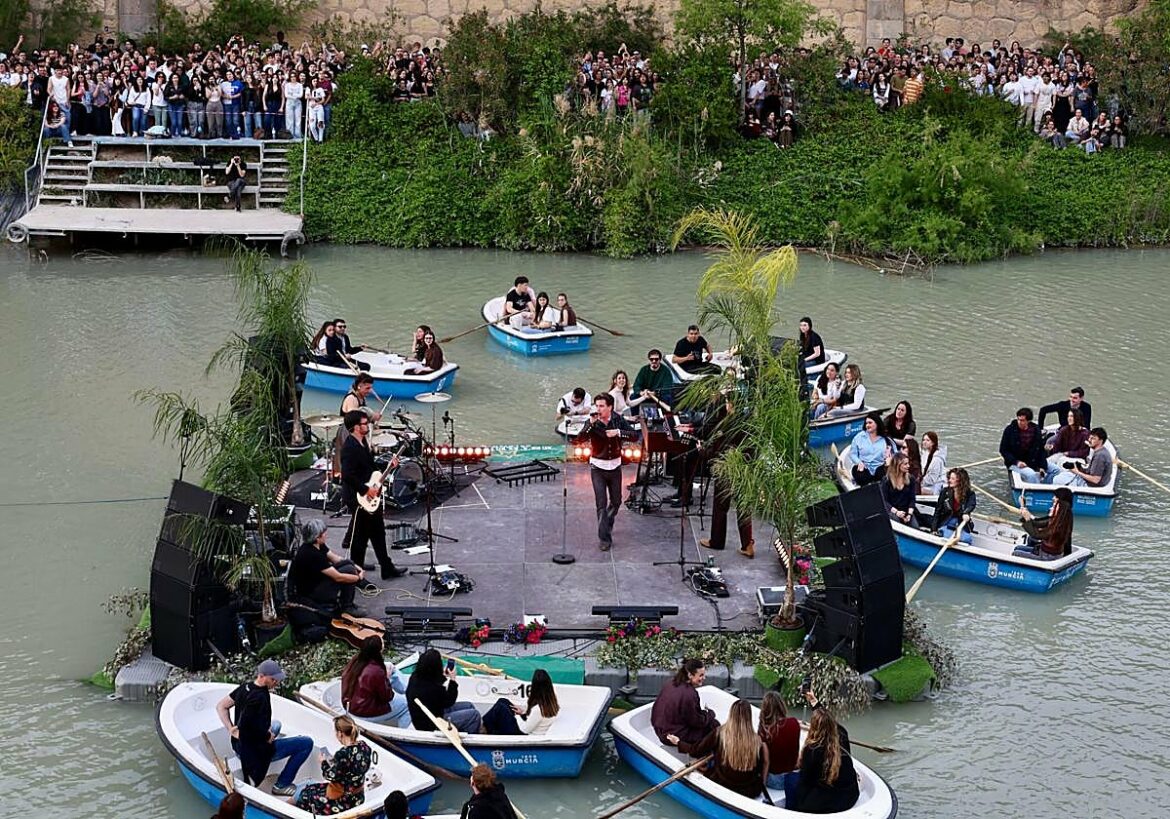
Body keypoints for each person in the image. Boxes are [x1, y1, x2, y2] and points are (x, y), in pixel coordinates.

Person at [215, 660, 313, 796]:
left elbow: (221, 706)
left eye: (277, 679)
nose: (276, 682)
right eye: (273, 679)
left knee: (276, 724)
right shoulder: (258, 699)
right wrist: (267, 737)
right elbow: (249, 729)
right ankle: (281, 785)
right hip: (254, 750)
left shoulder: (245, 688)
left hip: (238, 745)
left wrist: (231, 728)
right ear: (261, 676)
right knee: (306, 743)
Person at [339, 410, 406, 579]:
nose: (367, 425)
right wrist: (365, 490)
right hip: (358, 497)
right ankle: (356, 575)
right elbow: (347, 474)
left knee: (377, 532)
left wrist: (388, 466)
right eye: (364, 423)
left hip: (368, 495)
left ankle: (386, 567)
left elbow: (369, 469)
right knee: (360, 539)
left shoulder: (362, 443)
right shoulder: (350, 447)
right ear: (355, 427)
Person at [667, 699, 768, 799]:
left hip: (724, 783)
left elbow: (696, 750)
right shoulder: (757, 740)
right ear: (749, 717)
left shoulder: (720, 733)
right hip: (748, 789)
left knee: (704, 766)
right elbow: (760, 766)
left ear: (731, 714)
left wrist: (678, 742)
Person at [784, 692, 860, 814]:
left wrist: (796, 764)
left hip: (826, 803)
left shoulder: (812, 750)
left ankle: (791, 813)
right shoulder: (842, 735)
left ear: (814, 727)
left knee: (790, 779)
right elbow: (829, 721)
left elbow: (806, 780)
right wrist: (814, 702)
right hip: (850, 796)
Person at [583, 394, 637, 551]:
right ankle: (604, 538)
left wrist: (618, 432)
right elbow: (578, 439)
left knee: (616, 501)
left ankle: (607, 521)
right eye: (597, 406)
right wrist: (590, 425)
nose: (598, 409)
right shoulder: (593, 422)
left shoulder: (618, 420)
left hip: (615, 467)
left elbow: (634, 435)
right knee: (601, 504)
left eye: (601, 406)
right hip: (597, 468)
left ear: (610, 407)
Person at [294, 715, 373, 814]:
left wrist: (323, 762)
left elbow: (330, 776)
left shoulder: (342, 754)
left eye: (336, 732)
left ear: (340, 734)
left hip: (343, 800)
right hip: (358, 797)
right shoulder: (364, 747)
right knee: (312, 786)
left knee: (305, 793)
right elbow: (351, 769)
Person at [290, 519, 363, 614]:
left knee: (348, 565)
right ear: (317, 537)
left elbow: (336, 559)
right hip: (312, 592)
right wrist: (358, 578)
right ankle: (346, 607)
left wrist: (356, 566)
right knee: (348, 572)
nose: (326, 534)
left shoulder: (318, 545)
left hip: (318, 580)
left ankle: (347, 603)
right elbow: (338, 577)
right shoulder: (312, 554)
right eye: (324, 533)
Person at [406, 648, 483, 733]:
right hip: (433, 723)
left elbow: (434, 685)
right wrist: (452, 680)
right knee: (474, 715)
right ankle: (470, 738)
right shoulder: (433, 689)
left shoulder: (415, 676)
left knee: (469, 705)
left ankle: (463, 728)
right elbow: (450, 701)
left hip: (430, 712)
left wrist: (442, 675)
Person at [341, 636, 410, 727]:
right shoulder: (376, 671)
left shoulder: (356, 660)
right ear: (379, 649)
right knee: (407, 705)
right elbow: (387, 697)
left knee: (390, 666)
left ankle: (406, 690)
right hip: (363, 711)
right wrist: (387, 678)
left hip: (351, 706)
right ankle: (402, 733)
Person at [650, 658, 719, 746]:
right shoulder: (689, 694)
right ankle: (708, 753)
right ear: (690, 675)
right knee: (714, 725)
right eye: (701, 675)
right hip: (672, 737)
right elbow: (697, 722)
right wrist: (710, 714)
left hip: (660, 730)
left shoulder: (671, 683)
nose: (704, 678)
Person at [482, 668, 559, 735]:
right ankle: (488, 728)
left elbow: (525, 730)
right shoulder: (551, 703)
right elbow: (534, 720)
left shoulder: (538, 710)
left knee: (500, 708)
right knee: (503, 701)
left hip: (523, 734)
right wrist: (522, 713)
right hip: (527, 726)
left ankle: (484, 728)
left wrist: (517, 716)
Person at [1013, 486, 1074, 560]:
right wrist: (1023, 507)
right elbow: (1037, 523)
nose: (1052, 507)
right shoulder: (1059, 519)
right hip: (1044, 551)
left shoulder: (1059, 525)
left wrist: (1027, 519)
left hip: (1047, 556)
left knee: (1016, 553)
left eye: (1055, 504)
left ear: (1061, 507)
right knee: (1018, 548)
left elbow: (1036, 535)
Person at [758, 690, 800, 788]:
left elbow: (766, 761)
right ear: (782, 705)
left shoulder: (765, 730)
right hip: (792, 777)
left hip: (775, 780)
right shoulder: (794, 723)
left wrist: (762, 785)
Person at [999, 407, 1047, 483]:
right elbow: (1003, 450)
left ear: (1028, 421)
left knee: (1055, 470)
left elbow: (1041, 450)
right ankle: (1034, 491)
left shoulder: (1036, 430)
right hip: (1015, 462)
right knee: (1031, 474)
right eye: (1018, 419)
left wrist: (1042, 466)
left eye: (1022, 420)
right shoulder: (1009, 430)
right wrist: (1016, 462)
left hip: (1033, 461)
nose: (1019, 422)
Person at [931, 467, 976, 544]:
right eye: (950, 478)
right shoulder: (945, 492)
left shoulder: (970, 494)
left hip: (960, 524)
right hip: (946, 521)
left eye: (952, 479)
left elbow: (971, 504)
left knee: (967, 539)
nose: (949, 481)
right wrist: (933, 529)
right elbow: (937, 511)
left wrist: (966, 513)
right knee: (944, 533)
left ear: (959, 481)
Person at [849, 412, 891, 486]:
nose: (867, 425)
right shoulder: (859, 437)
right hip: (864, 467)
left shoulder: (885, 439)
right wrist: (859, 462)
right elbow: (852, 454)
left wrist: (889, 460)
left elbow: (894, 454)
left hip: (879, 468)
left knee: (885, 477)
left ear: (877, 423)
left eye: (870, 423)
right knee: (860, 475)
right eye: (866, 423)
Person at [1045, 408, 1090, 472]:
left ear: (1077, 418)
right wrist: (1052, 447)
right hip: (1062, 455)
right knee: (1046, 463)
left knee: (1061, 461)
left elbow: (1084, 452)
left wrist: (1069, 453)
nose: (1069, 418)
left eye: (1071, 416)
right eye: (1068, 416)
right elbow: (1058, 445)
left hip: (1078, 459)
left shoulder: (1085, 433)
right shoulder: (1064, 430)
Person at [880, 452, 918, 526]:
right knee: (896, 521)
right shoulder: (886, 480)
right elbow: (884, 500)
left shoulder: (911, 479)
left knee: (915, 527)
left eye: (908, 463)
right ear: (897, 465)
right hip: (892, 511)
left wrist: (909, 514)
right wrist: (897, 512)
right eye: (905, 464)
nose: (908, 466)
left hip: (906, 510)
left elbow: (912, 499)